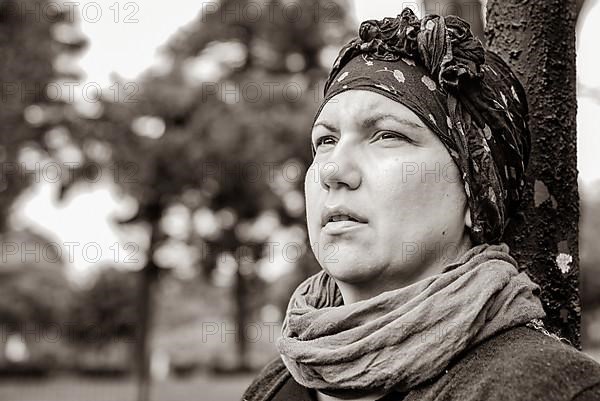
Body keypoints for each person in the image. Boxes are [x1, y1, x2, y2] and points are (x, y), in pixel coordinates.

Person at [242, 8, 600, 401]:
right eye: (325, 140)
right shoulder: (274, 386)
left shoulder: (548, 390)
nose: (333, 170)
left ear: (475, 190)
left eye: (387, 136)